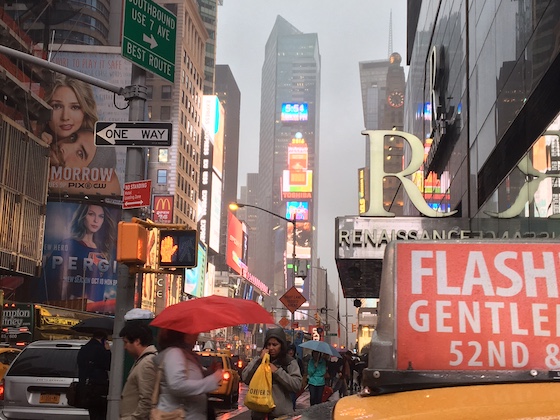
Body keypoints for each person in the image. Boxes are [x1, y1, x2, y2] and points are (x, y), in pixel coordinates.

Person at [39, 73, 121, 196]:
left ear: (85, 112)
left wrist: (55, 180)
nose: (65, 117)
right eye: (57, 106)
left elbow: (112, 187)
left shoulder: (95, 147)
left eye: (75, 107)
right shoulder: (33, 131)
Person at [43, 203, 117, 302]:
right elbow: (49, 282)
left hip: (96, 310)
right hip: (70, 309)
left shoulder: (104, 251)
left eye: (101, 216)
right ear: (82, 216)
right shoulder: (68, 245)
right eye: (91, 214)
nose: (96, 220)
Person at [153, 328, 222, 419]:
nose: (197, 335)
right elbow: (177, 385)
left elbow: (190, 377)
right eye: (194, 332)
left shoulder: (185, 354)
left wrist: (209, 372)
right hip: (180, 415)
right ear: (185, 335)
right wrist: (212, 380)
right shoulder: (174, 353)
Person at [242, 327, 302, 419]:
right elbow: (245, 378)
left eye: (275, 345)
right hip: (259, 414)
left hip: (280, 415)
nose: (271, 348)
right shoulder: (259, 359)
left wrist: (277, 372)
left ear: (281, 345)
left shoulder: (289, 362)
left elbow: (296, 385)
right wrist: (259, 361)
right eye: (268, 345)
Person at [119, 321, 158, 420]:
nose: (125, 347)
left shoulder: (147, 363)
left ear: (137, 341)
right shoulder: (143, 360)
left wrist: (134, 418)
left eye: (126, 342)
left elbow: (147, 399)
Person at [77, 329, 111, 420]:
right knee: (101, 413)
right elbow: (108, 365)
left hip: (86, 386)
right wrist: (107, 351)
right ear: (103, 339)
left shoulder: (84, 349)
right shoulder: (101, 350)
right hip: (99, 386)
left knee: (93, 413)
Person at [286, 343, 304, 409]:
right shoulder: (283, 360)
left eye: (292, 350)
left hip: (293, 383)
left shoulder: (297, 360)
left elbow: (302, 370)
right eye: (289, 350)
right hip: (285, 383)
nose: (291, 352)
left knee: (292, 399)